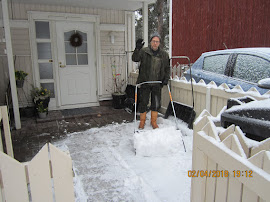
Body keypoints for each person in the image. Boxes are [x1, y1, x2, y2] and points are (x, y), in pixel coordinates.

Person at [132, 32, 170, 129]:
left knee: (156, 103)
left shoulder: (164, 54)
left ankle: (153, 122)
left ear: (159, 43)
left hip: (157, 83)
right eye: (153, 41)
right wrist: (137, 49)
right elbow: (135, 58)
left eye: (157, 41)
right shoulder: (144, 52)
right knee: (143, 103)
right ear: (150, 42)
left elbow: (167, 68)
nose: (155, 43)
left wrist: (166, 78)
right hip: (145, 82)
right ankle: (142, 122)